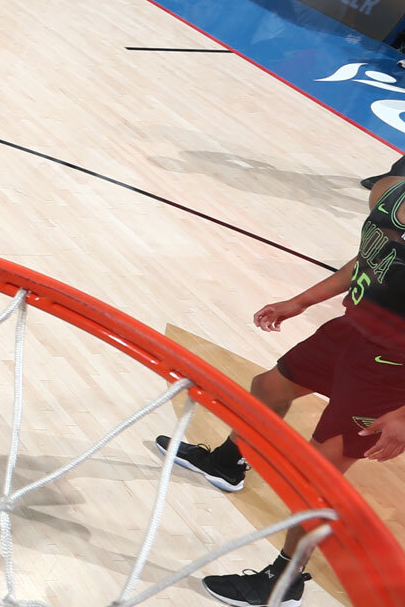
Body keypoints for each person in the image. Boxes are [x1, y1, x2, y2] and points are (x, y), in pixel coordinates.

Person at [158, 169, 405, 606]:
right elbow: (366, 258)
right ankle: (228, 462)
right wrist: (302, 301)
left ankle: (284, 578)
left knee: (316, 475)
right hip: (353, 330)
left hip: (391, 368)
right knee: (269, 387)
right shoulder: (390, 190)